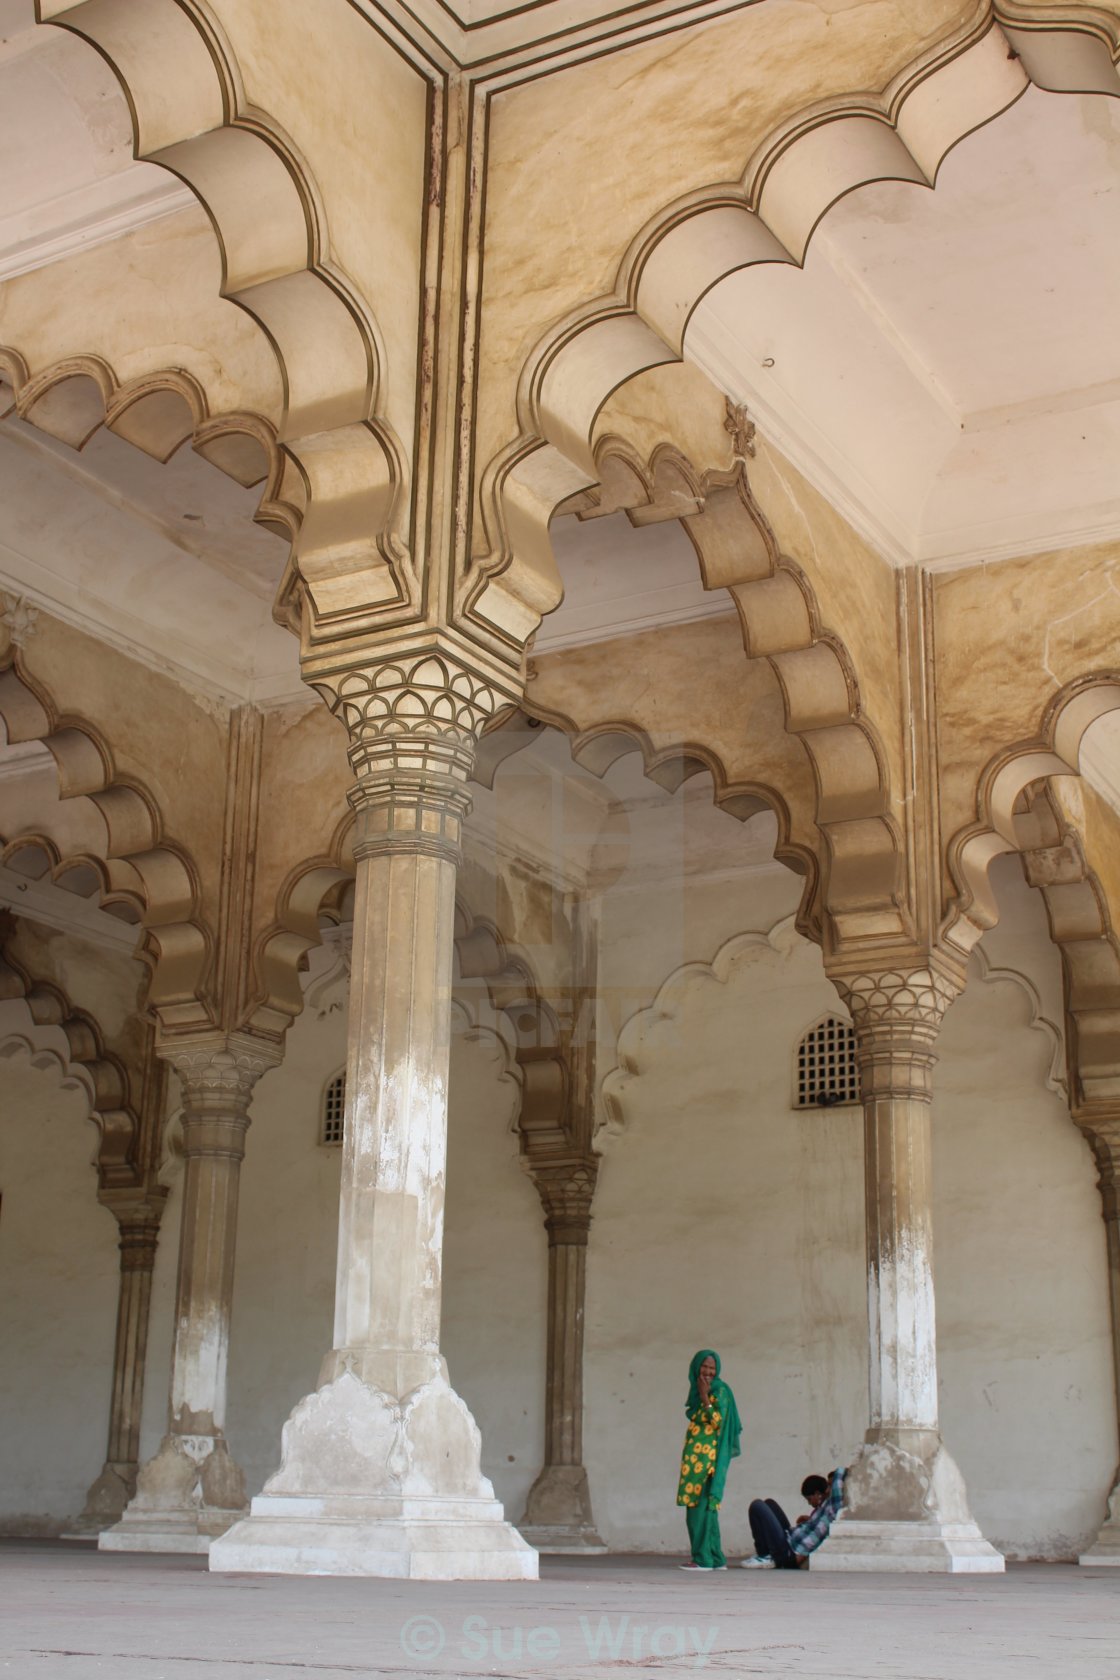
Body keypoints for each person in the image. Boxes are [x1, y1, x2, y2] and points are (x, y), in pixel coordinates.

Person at [676, 1349, 742, 1571]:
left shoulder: (719, 1390)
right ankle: (714, 1558)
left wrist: (705, 1397)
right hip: (696, 1460)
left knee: (699, 1509)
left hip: (707, 1460)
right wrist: (701, 1394)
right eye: (704, 1367)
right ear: (695, 1367)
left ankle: (702, 1559)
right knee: (705, 1509)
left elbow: (719, 1422)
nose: (708, 1372)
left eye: (712, 1368)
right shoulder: (697, 1391)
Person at [740, 1467, 847, 1569]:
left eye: (830, 1485)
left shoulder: (834, 1508)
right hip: (789, 1539)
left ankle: (765, 1555)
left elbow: (840, 1472)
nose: (828, 1489)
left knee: (757, 1506)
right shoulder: (823, 1507)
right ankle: (767, 1554)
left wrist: (832, 1482)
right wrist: (807, 1521)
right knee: (769, 1503)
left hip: (788, 1553)